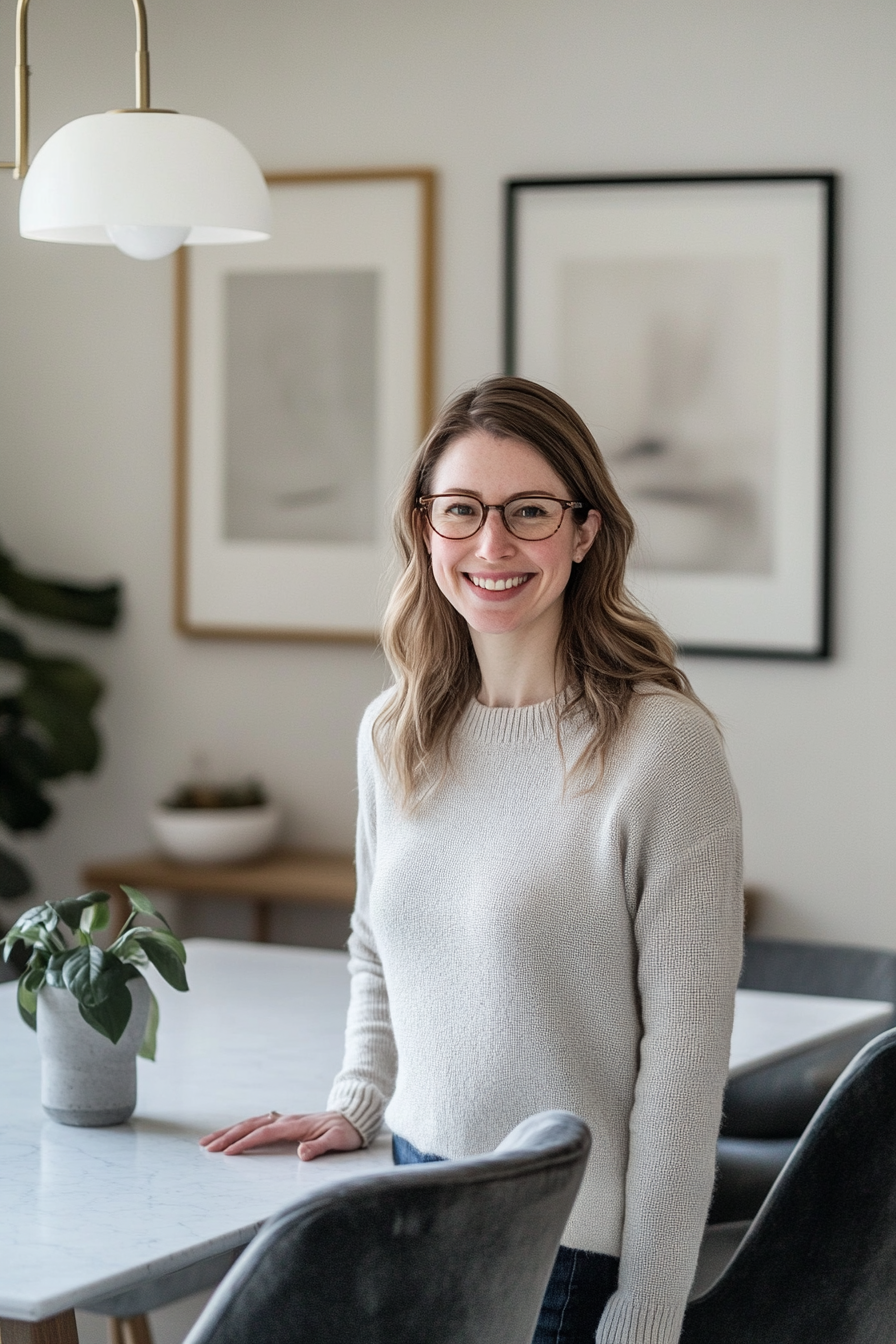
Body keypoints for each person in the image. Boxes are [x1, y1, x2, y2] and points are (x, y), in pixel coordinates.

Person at [201, 377, 743, 1344]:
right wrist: (357, 1101)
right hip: (416, 1197)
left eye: (528, 512)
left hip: (566, 1249)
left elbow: (684, 1070)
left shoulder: (664, 748)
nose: (491, 546)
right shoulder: (393, 730)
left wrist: (650, 1306)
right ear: (425, 529)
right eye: (461, 512)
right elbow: (377, 945)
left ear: (583, 531)